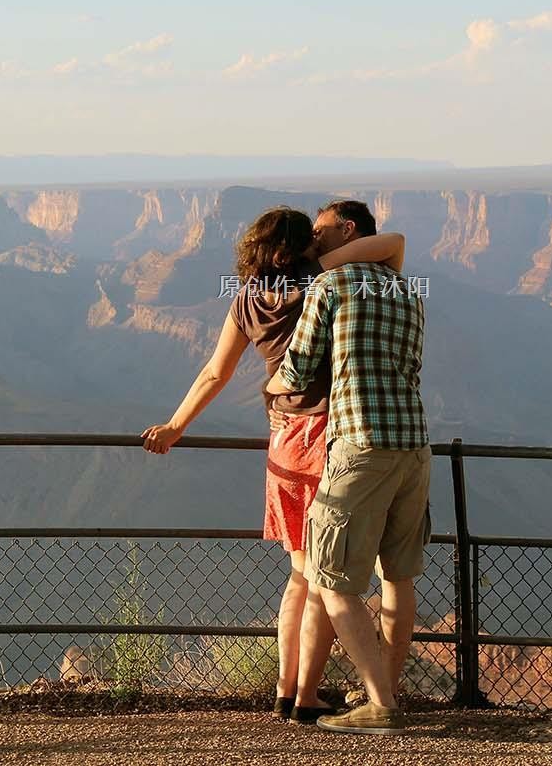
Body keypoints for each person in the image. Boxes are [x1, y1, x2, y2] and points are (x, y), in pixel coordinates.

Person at [140, 205, 405, 723]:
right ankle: (305, 696)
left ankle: (286, 692)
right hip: (333, 435)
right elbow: (393, 247)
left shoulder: (246, 301)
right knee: (327, 576)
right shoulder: (326, 285)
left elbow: (215, 373)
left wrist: (175, 427)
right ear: (299, 247)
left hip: (282, 439)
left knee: (298, 576)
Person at [266, 199, 429, 736]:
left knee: (331, 579)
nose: (313, 241)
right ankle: (386, 689)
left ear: (348, 229)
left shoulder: (328, 287)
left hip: (360, 445)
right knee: (397, 577)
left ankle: (380, 705)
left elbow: (298, 367)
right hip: (414, 446)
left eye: (320, 231)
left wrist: (269, 387)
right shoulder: (407, 289)